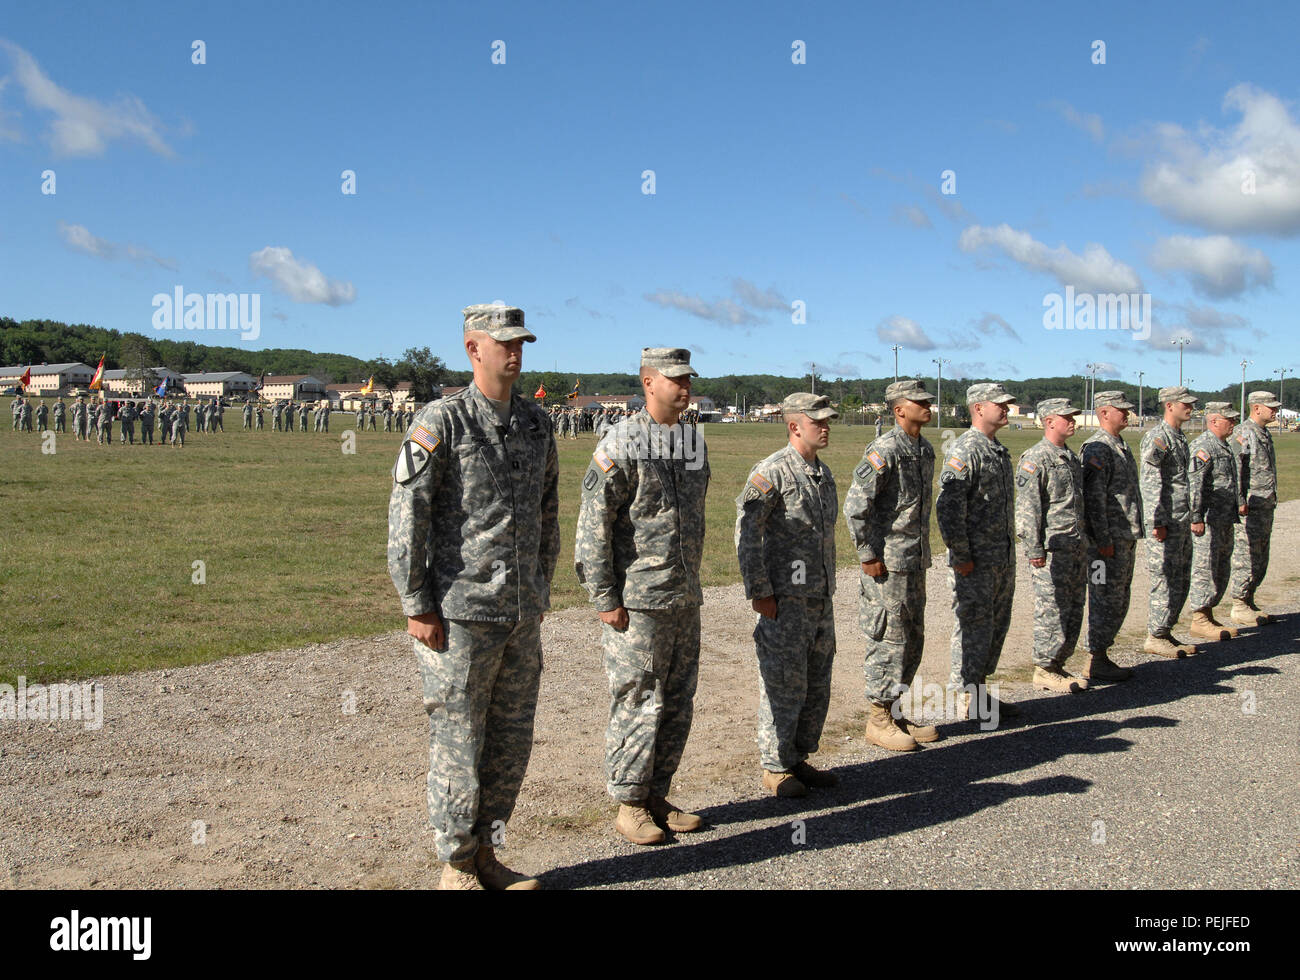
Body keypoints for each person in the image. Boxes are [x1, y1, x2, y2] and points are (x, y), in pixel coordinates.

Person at [388, 304, 558, 891]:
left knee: (511, 740)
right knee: (460, 739)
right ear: (472, 349)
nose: (514, 353)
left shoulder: (537, 423)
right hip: (459, 614)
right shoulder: (444, 422)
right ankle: (456, 865)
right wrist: (416, 603)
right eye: (503, 342)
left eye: (521, 343)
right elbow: (408, 513)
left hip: (519, 613)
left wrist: (539, 584)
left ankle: (489, 852)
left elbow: (548, 511)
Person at [575, 347, 709, 846]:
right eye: (674, 378)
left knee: (677, 702)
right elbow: (595, 521)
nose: (685, 386)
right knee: (639, 700)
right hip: (638, 600)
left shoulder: (693, 441)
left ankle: (657, 794)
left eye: (688, 378)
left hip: (682, 597)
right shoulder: (623, 440)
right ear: (649, 382)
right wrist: (604, 595)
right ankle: (630, 804)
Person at [735, 392, 840, 797]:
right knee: (783, 680)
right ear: (795, 426)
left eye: (828, 420)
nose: (826, 427)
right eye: (819, 422)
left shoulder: (823, 473)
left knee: (816, 681)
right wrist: (760, 591)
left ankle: (798, 757)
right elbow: (746, 534)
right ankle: (775, 766)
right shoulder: (772, 472)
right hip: (785, 600)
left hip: (819, 598)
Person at [843, 379, 939, 751]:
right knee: (888, 637)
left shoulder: (925, 449)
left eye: (927, 401)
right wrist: (867, 554)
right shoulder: (884, 450)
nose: (927, 406)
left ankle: (895, 710)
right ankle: (878, 717)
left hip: (914, 561)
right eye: (919, 402)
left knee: (912, 638)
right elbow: (857, 506)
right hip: (887, 564)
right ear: (899, 409)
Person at [935, 382, 1019, 722]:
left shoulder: (996, 449)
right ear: (978, 408)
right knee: (972, 625)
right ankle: (967, 697)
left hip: (1000, 557)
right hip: (976, 561)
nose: (1006, 409)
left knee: (995, 625)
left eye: (1007, 404)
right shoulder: (966, 449)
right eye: (999, 404)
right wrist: (961, 553)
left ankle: (980, 692)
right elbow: (949, 508)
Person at [1015, 399, 1090, 693]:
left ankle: (1058, 663)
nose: (1073, 420)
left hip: (1075, 545)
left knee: (1073, 607)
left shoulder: (1070, 457)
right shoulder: (1036, 459)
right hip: (1052, 549)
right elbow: (1029, 509)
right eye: (1067, 417)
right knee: (1052, 609)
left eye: (1074, 415)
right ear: (1049, 422)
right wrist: (1034, 549)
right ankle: (1045, 667)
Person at [1079, 391, 1143, 681]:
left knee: (1119, 597)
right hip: (1106, 543)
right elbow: (1094, 499)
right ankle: (1095, 658)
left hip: (1122, 536)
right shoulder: (1097, 448)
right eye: (1121, 410)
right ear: (1104, 413)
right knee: (1104, 598)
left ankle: (1102, 654)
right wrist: (1102, 539)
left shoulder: (1119, 445)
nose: (1127, 414)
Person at [1139, 386, 1199, 658]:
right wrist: (1157, 521)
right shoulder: (1158, 438)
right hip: (1166, 522)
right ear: (1169, 405)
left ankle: (1166, 629)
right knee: (1164, 577)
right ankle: (1155, 634)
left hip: (1181, 519)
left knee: (1180, 576)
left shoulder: (1179, 437)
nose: (1191, 407)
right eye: (1185, 403)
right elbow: (1151, 484)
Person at [1187, 403, 1241, 642]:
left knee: (1220, 566)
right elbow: (1195, 485)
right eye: (1229, 419)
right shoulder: (1203, 446)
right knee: (1205, 568)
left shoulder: (1224, 446)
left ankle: (1208, 613)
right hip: (1208, 520)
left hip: (1223, 518)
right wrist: (1196, 517)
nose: (1233, 423)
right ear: (1214, 420)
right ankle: (1199, 618)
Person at [1229, 391, 1281, 626]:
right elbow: (1237, 469)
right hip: (1250, 506)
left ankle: (1249, 599)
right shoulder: (1243, 432)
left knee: (1261, 554)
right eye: (1270, 406)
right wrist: (1240, 500)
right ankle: (1239, 603)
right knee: (1247, 555)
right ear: (1256, 408)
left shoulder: (1264, 433)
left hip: (1264, 503)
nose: (1275, 410)